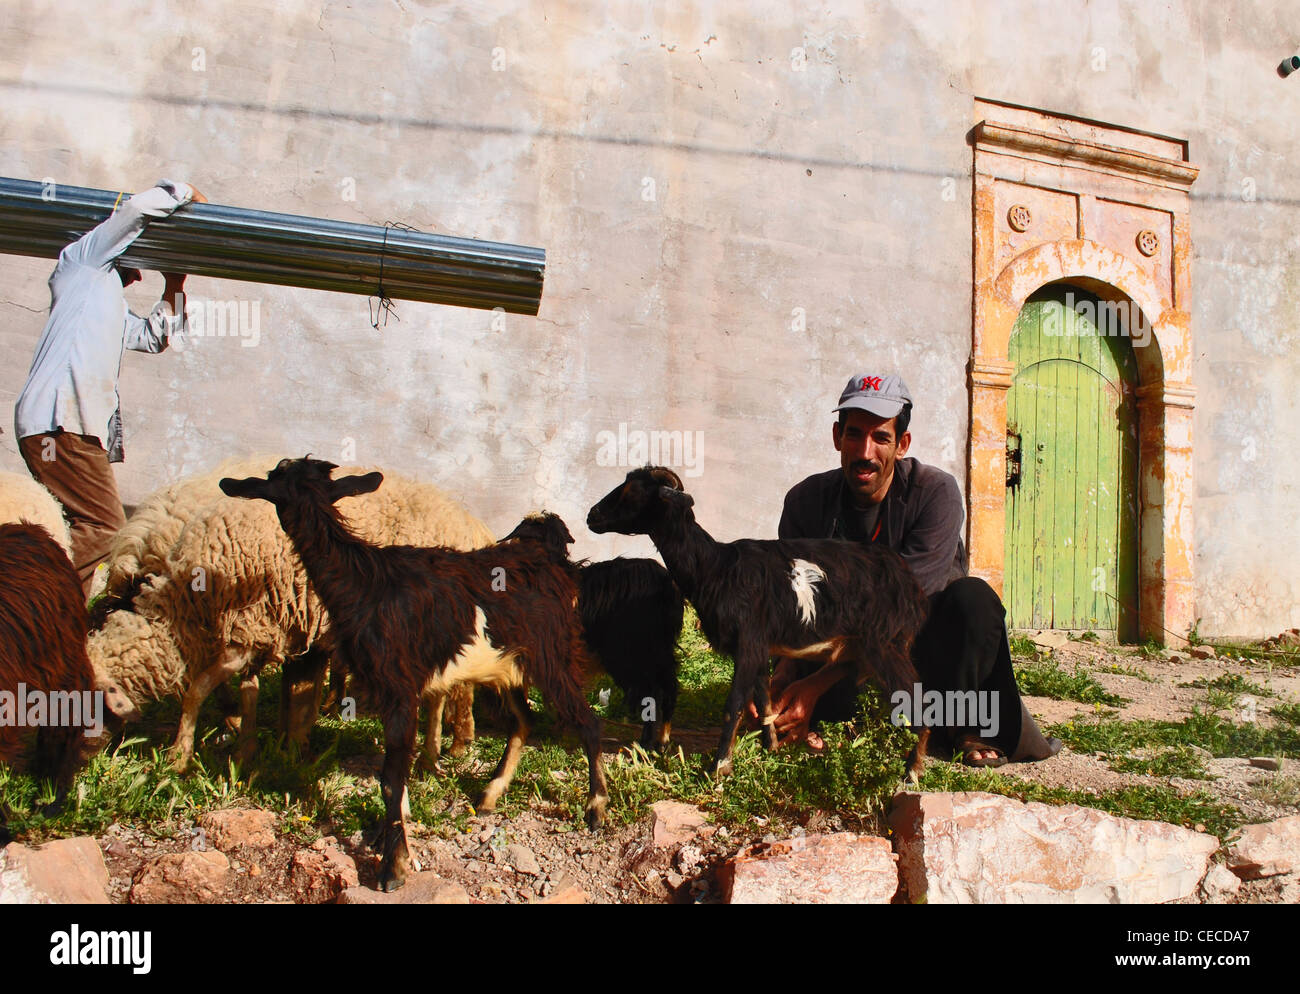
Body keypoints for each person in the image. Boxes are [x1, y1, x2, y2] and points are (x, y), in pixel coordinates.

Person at [768, 372, 1061, 766]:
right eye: (854, 434)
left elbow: (897, 613)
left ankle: (961, 725)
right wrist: (784, 673)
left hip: (924, 651)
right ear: (837, 436)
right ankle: (829, 717)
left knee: (973, 599)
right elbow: (795, 606)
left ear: (902, 444)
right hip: (845, 651)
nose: (864, 452)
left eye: (881, 438)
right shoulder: (805, 502)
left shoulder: (934, 494)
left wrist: (816, 684)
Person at [13, 179, 205, 596]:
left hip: (70, 427)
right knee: (104, 528)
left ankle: (57, 627)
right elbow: (136, 211)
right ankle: (28, 598)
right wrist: (184, 190)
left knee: (79, 529)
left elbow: (154, 337)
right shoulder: (83, 263)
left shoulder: (108, 302)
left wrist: (174, 284)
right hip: (61, 422)